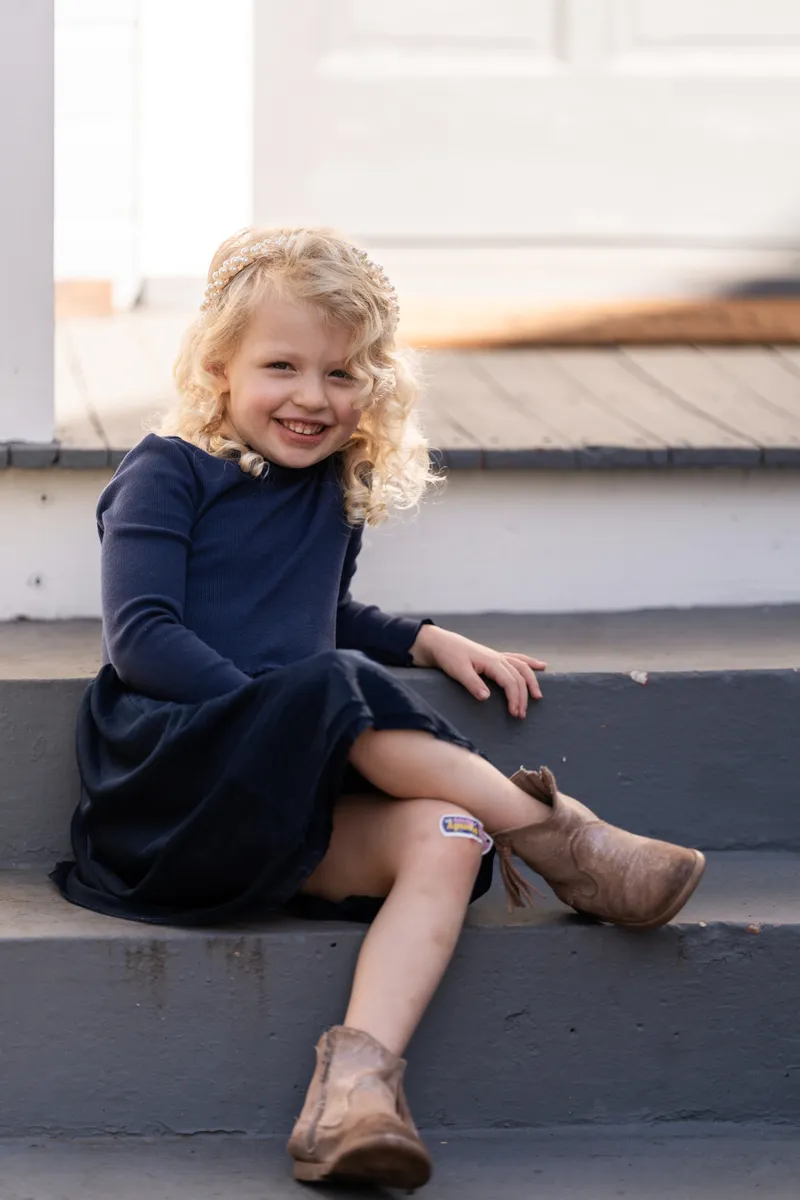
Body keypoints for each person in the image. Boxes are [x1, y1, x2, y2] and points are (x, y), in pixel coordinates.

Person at [51, 227, 706, 1190]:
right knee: (326, 688)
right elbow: (143, 635)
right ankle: (563, 840)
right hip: (171, 793)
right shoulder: (167, 470)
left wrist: (428, 639)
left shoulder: (328, 492)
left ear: (376, 385)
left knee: (448, 833)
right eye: (282, 365)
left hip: (281, 812)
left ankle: (354, 1094)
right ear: (219, 365)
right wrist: (280, 723)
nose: (314, 397)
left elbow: (325, 616)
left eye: (344, 373)